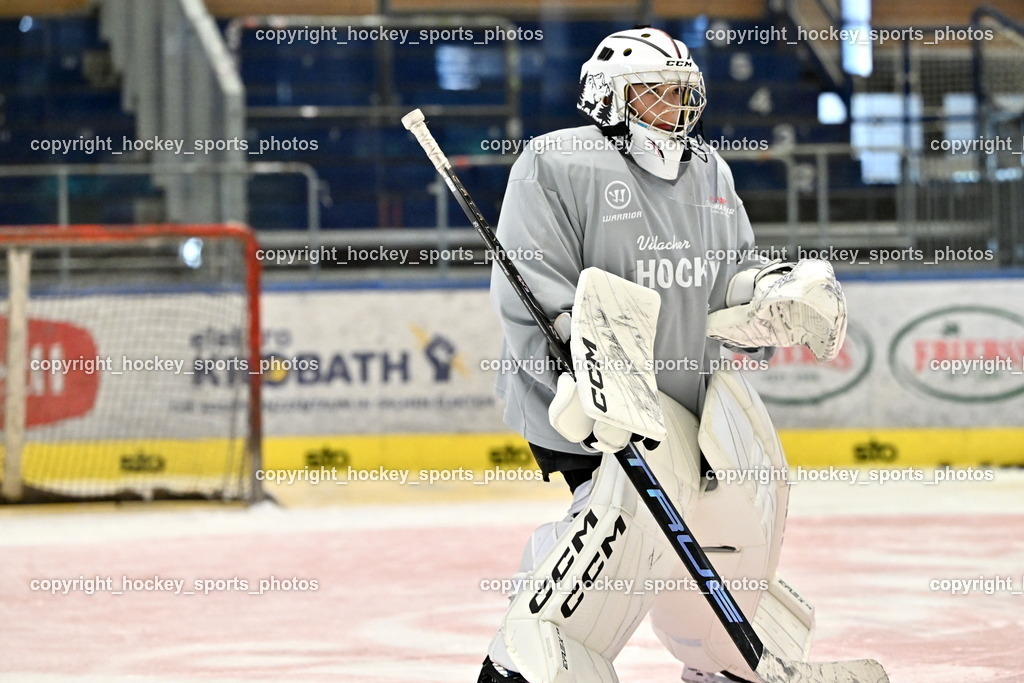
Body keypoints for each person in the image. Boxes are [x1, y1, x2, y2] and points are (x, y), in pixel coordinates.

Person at [479, 27, 844, 683]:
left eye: (681, 93)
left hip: (684, 394)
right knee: (626, 522)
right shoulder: (556, 163)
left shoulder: (709, 169)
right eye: (656, 92)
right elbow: (531, 279)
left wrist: (770, 291)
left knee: (738, 517)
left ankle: (722, 658)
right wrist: (583, 366)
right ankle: (536, 651)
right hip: (586, 394)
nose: (674, 108)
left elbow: (725, 274)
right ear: (609, 97)